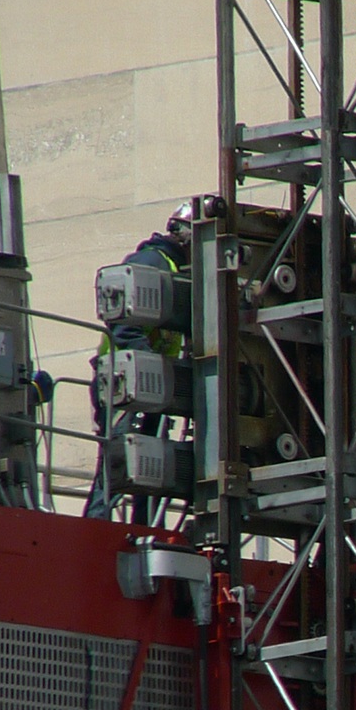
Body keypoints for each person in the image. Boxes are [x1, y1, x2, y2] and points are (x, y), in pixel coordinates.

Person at [86, 197, 216, 519]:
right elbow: (124, 327)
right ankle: (98, 525)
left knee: (151, 464)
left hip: (153, 389)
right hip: (126, 384)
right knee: (120, 460)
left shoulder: (181, 276)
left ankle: (145, 530)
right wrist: (151, 372)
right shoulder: (152, 261)